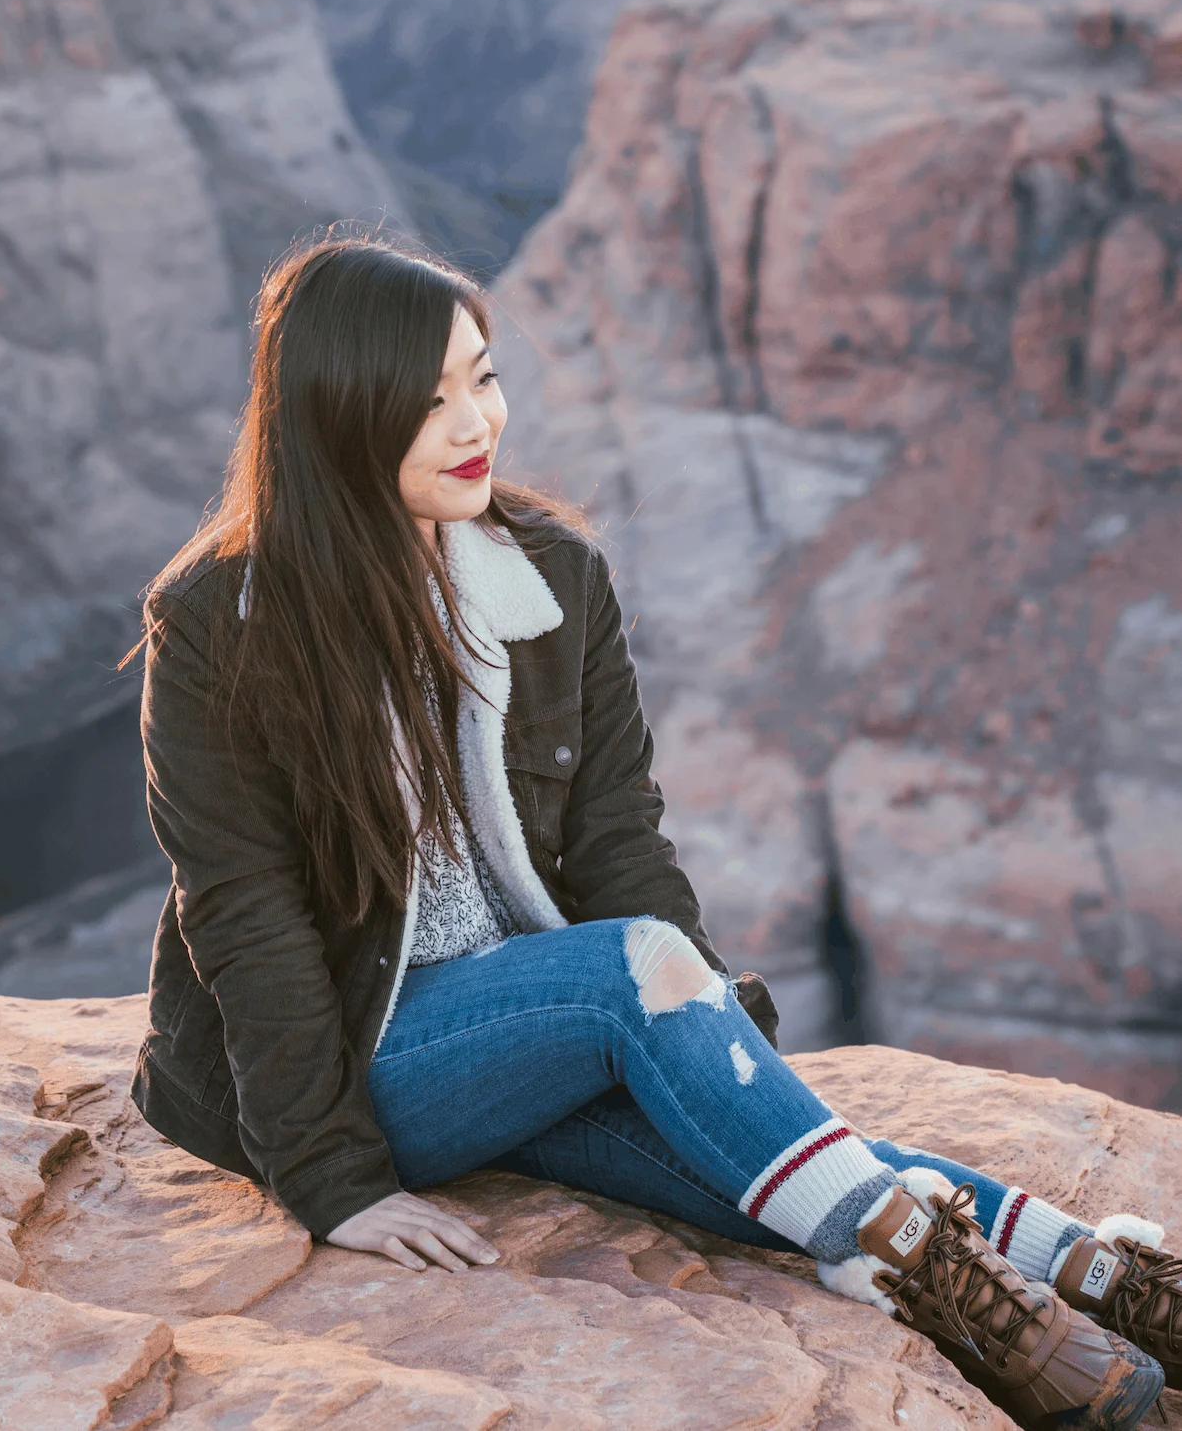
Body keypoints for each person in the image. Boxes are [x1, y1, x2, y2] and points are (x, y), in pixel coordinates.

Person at [132, 237, 1178, 1430]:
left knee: (768, 1152)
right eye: (426, 402)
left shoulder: (552, 578)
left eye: (482, 375)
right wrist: (331, 1178)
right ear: (337, 414)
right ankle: (957, 1295)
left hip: (543, 1024)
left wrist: (706, 1033)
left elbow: (621, 836)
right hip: (359, 1059)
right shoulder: (220, 622)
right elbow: (244, 914)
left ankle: (1105, 1279)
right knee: (640, 980)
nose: (477, 420)